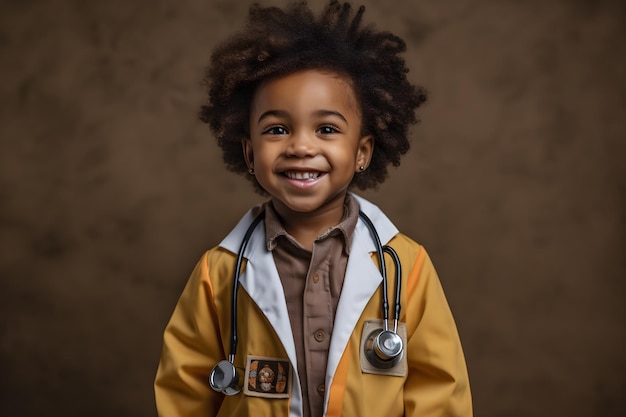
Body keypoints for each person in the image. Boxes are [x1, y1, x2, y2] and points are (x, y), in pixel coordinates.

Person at [154, 1, 472, 416]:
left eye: (326, 129)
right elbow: (184, 392)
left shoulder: (406, 267)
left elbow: (439, 392)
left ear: (362, 151)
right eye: (277, 129)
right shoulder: (219, 275)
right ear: (249, 153)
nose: (301, 147)